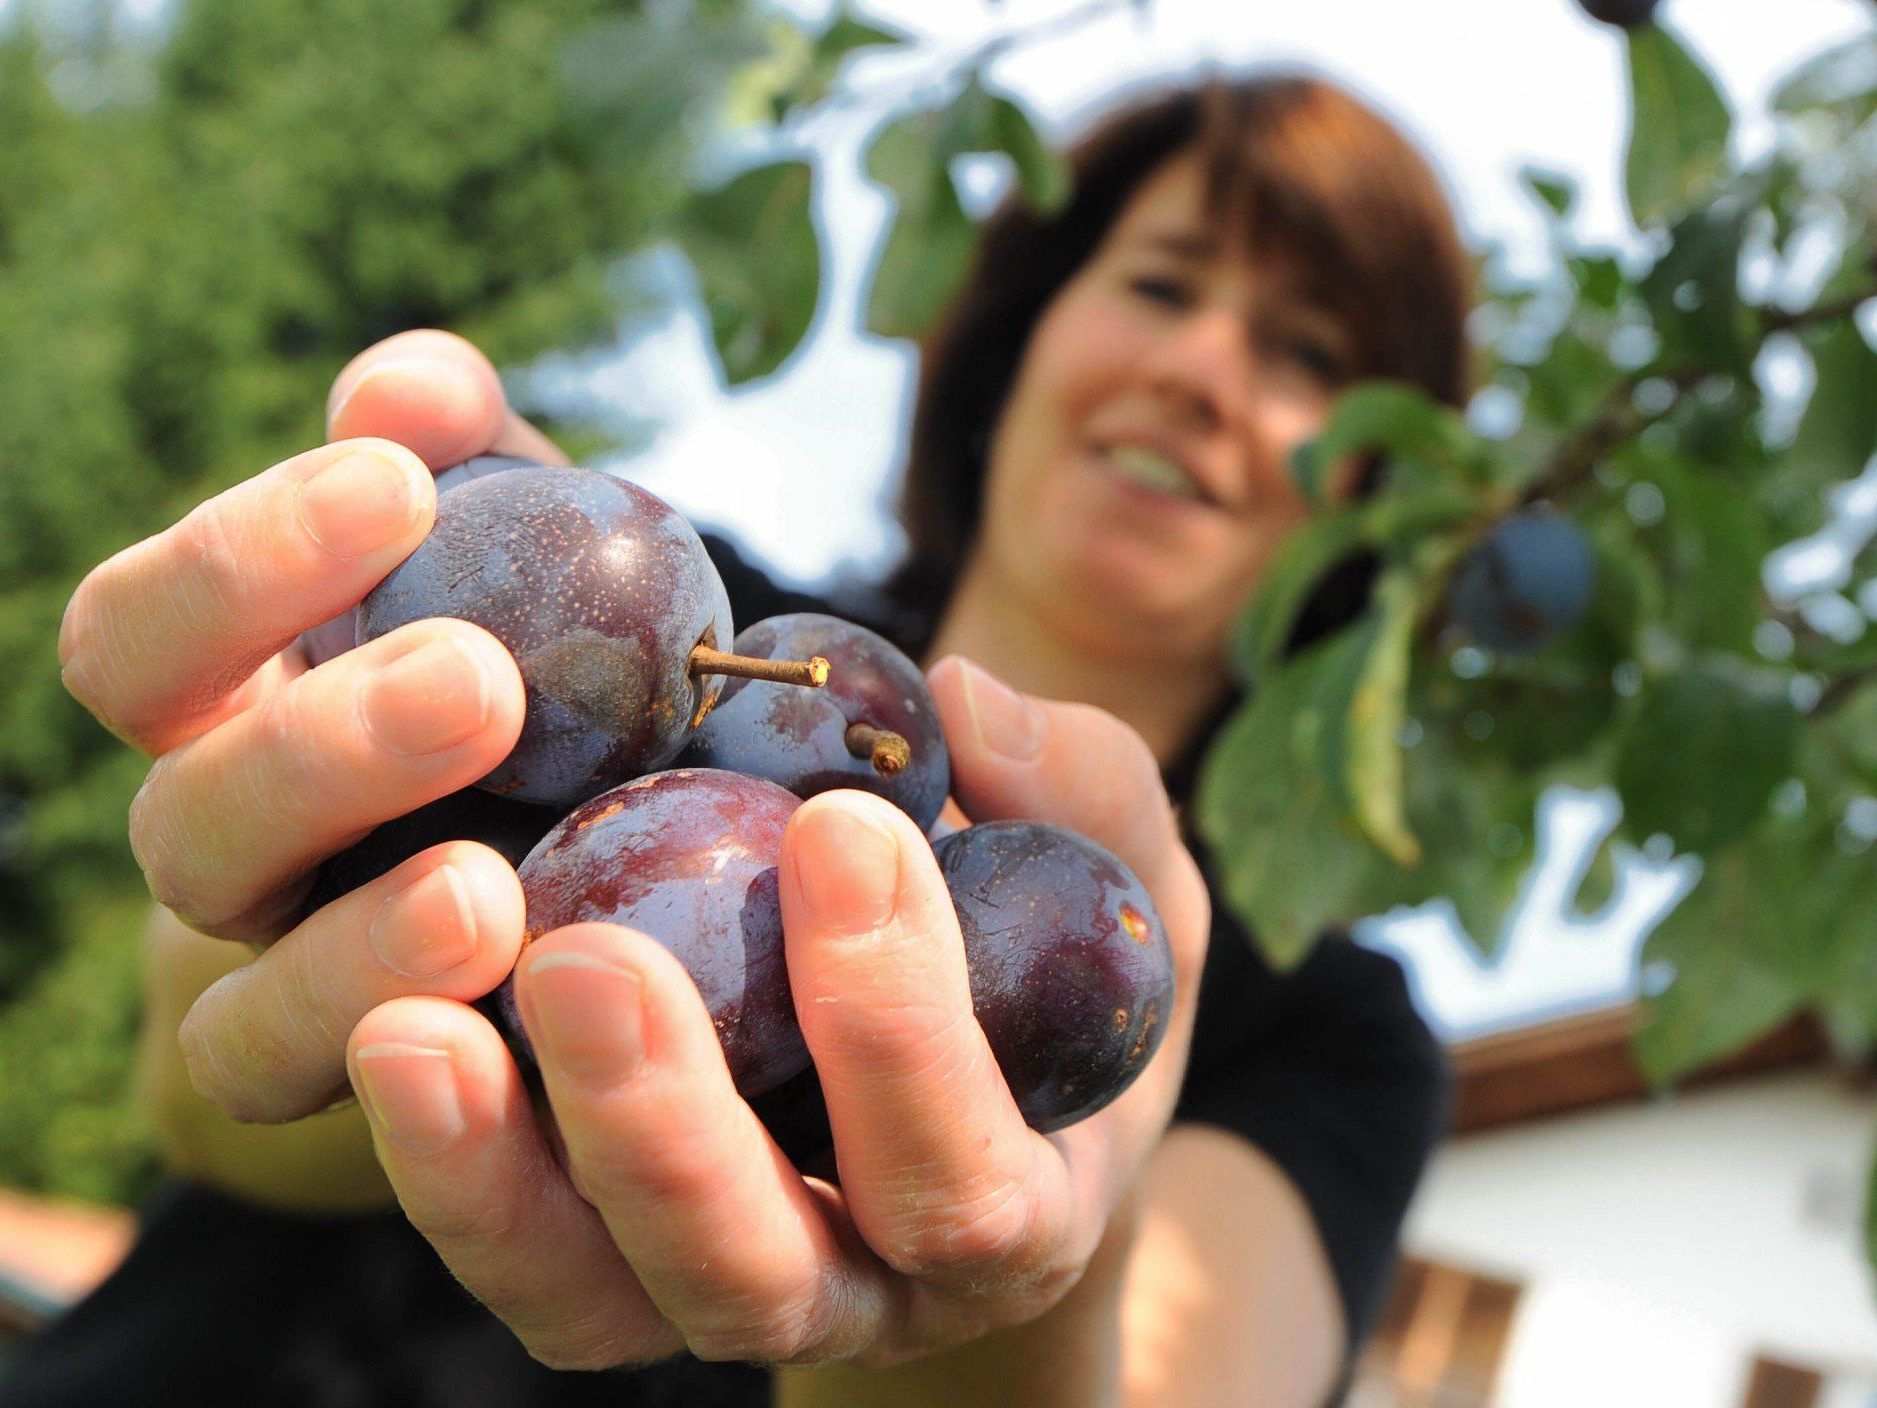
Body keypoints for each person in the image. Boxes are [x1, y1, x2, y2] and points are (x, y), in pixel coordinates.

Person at [18, 66, 1470, 1408]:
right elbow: (205, 1095)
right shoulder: (694, 632)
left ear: (1371, 501)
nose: (1205, 370)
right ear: (1020, 336)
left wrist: (986, 1270)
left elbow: (1183, 1381)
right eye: (1161, 285)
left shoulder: (1318, 1025)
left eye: (1305, 353)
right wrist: (317, 829)